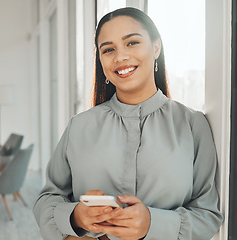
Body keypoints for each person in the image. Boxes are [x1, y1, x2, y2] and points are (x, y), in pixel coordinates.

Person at [33, 7, 223, 240]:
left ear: (156, 47)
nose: (120, 57)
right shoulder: (79, 126)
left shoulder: (193, 124)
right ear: (101, 61)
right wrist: (76, 218)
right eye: (108, 49)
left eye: (132, 43)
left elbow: (208, 215)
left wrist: (152, 224)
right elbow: (46, 200)